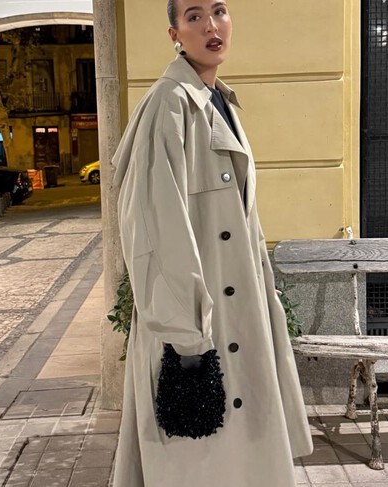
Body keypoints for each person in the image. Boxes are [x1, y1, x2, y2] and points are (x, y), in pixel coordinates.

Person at [111, 0, 313, 485]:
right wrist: (187, 337)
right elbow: (155, 231)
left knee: (236, 457)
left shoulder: (217, 99)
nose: (211, 26)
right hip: (197, 321)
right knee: (198, 460)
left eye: (219, 11)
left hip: (235, 310)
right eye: (195, 16)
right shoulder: (169, 104)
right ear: (174, 34)